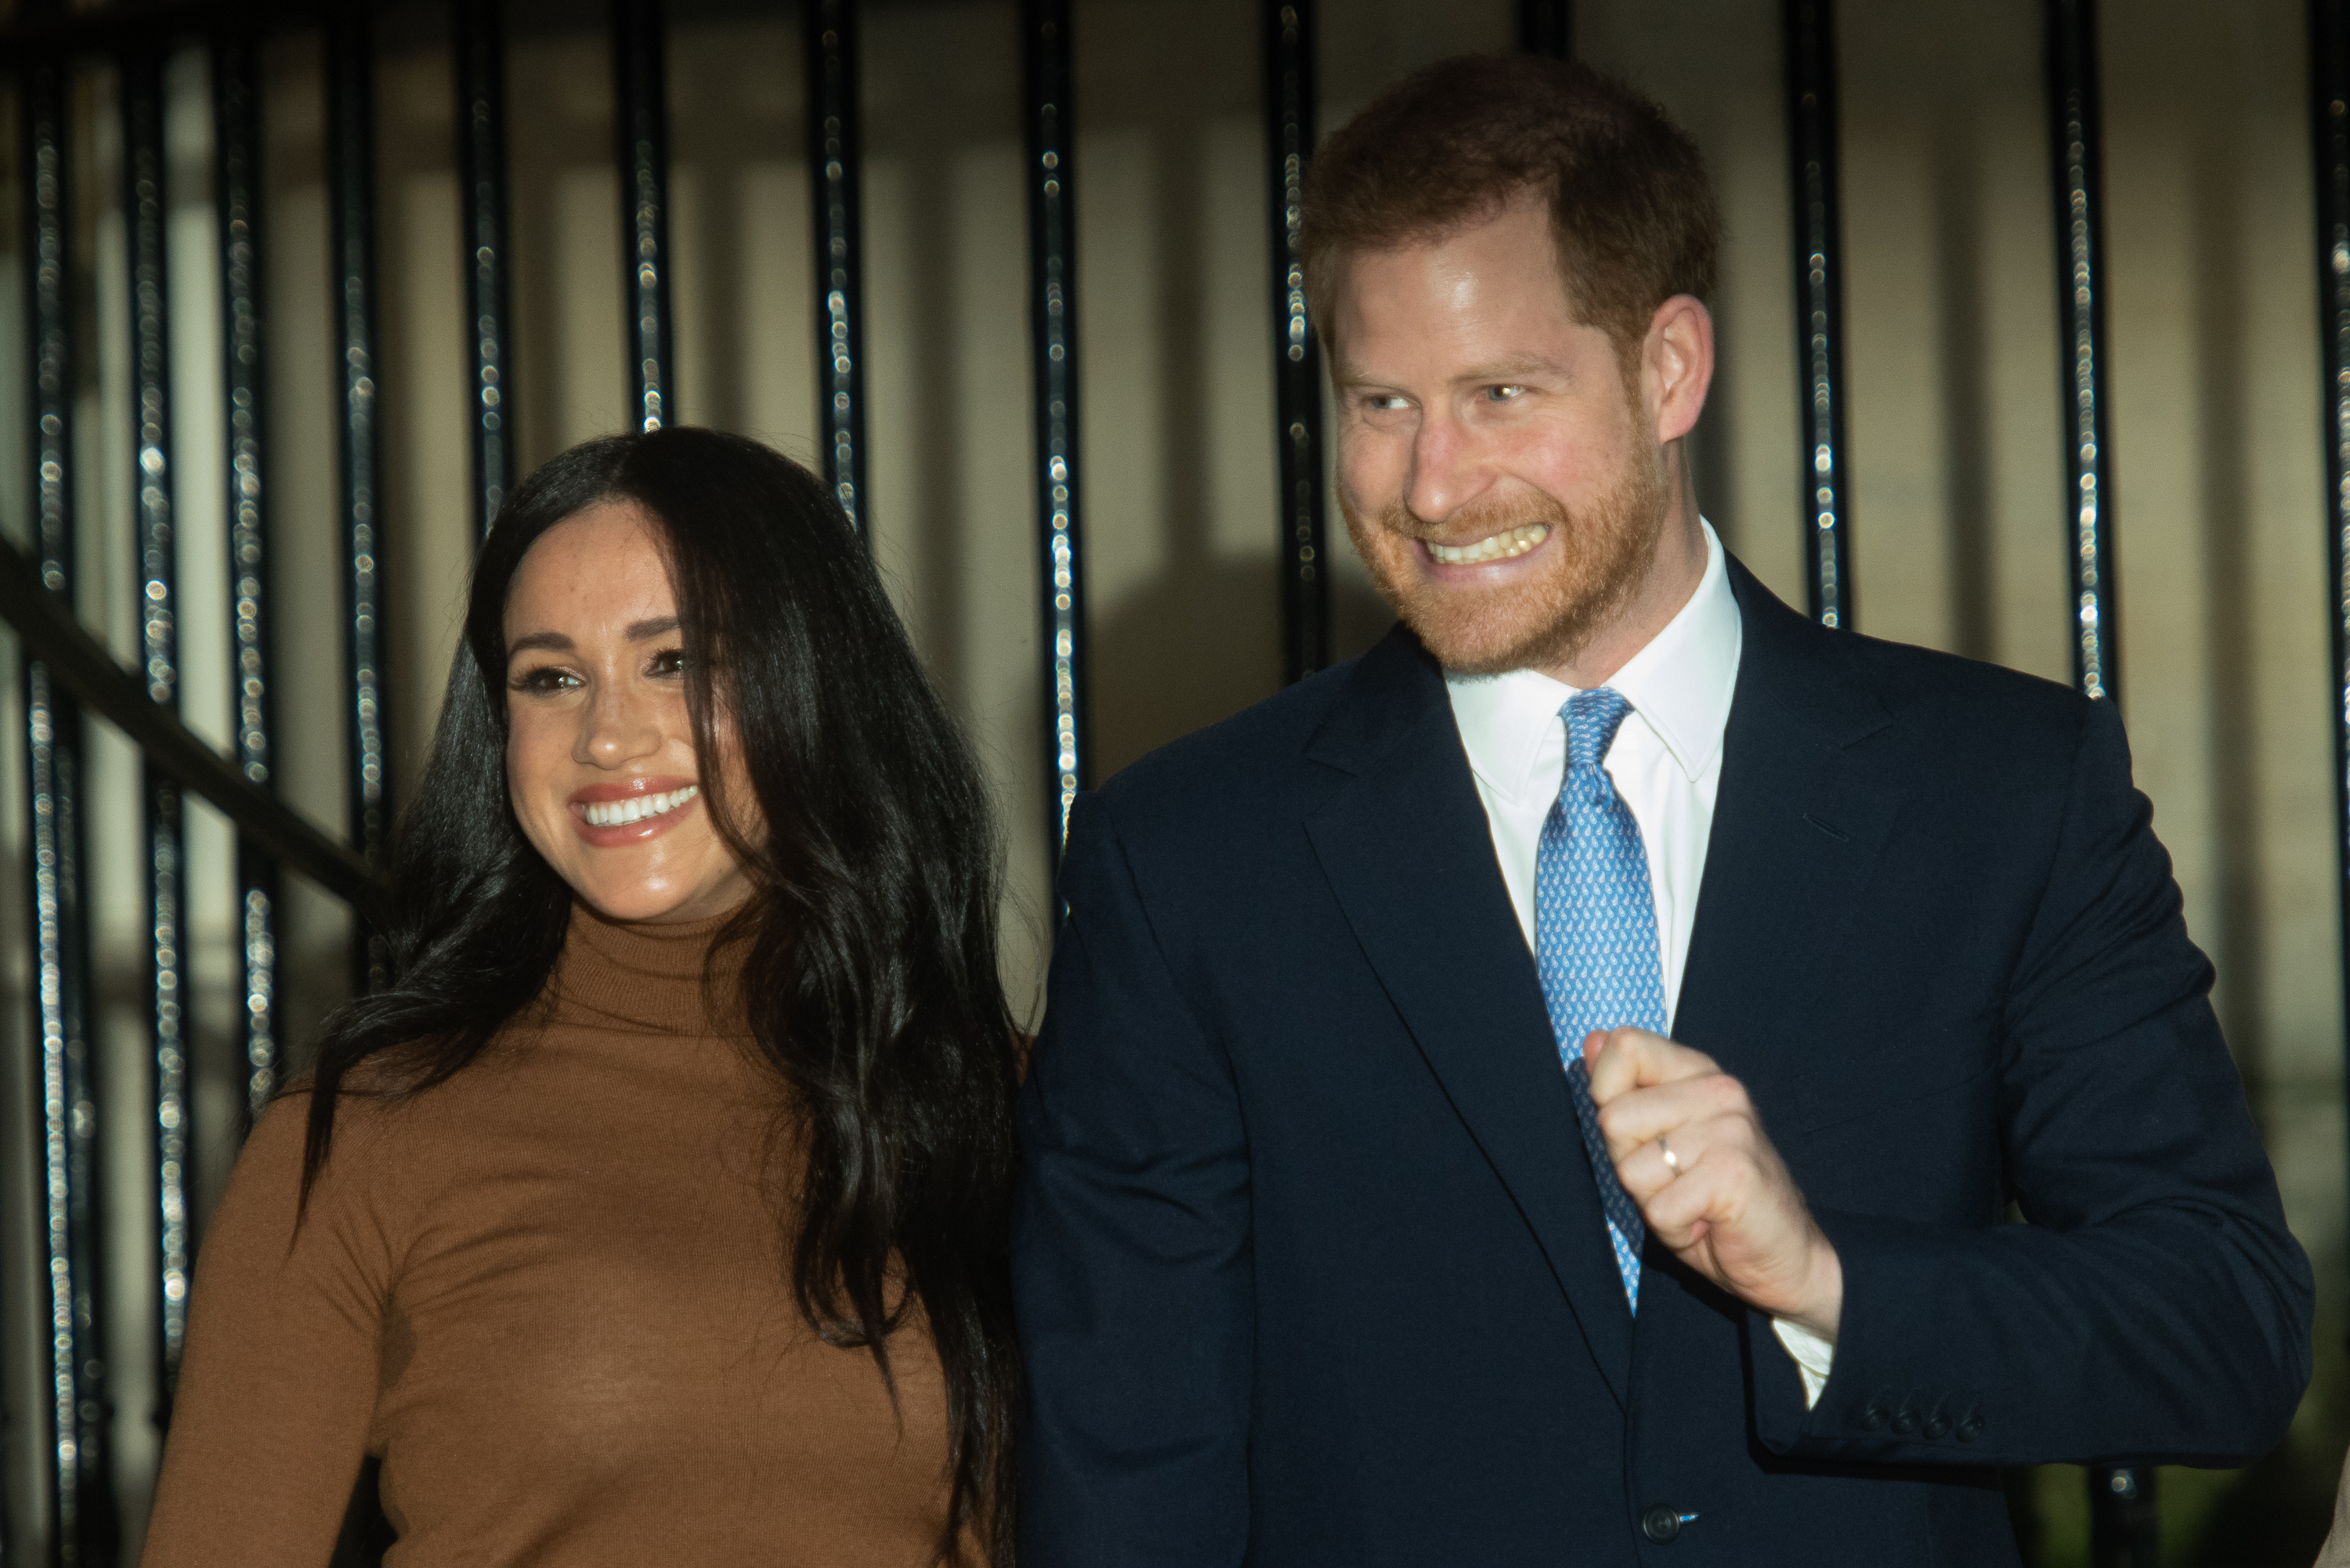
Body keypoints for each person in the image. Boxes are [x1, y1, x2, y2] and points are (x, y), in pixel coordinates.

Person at [1012, 54, 2313, 1565]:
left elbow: (2225, 1330)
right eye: (1383, 402)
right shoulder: (1185, 858)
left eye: (1502, 393)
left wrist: (1827, 1281)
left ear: (1670, 367)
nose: (1432, 485)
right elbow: (1128, 1477)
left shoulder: (2005, 789)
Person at [144, 428, 1021, 1566]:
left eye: (677, 661)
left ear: (817, 683)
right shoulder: (368, 1133)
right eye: (550, 677)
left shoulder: (1004, 1099)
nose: (607, 735)